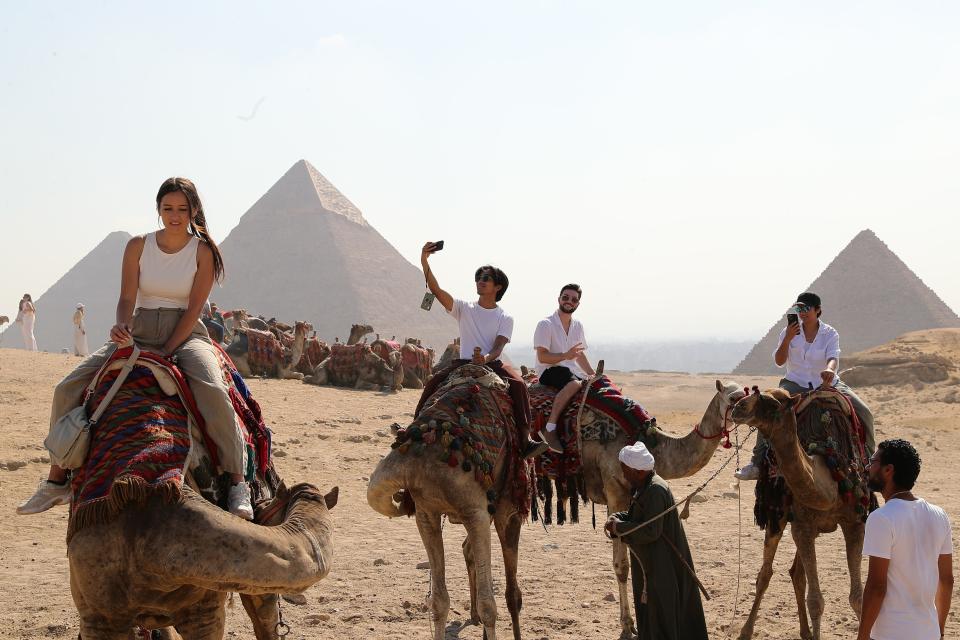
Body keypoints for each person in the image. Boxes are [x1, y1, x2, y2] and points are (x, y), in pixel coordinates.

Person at [17, 177, 254, 519]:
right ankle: (57, 477)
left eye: (182, 209)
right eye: (168, 208)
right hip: (139, 331)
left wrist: (169, 350)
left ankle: (236, 483)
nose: (174, 215)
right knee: (66, 387)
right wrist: (122, 327)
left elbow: (192, 310)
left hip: (186, 334)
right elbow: (127, 298)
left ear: (193, 211)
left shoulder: (203, 252)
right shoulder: (138, 246)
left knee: (214, 388)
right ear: (158, 209)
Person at [416, 241, 548, 459]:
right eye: (479, 277)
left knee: (518, 385)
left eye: (486, 278)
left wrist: (484, 358)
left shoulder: (505, 317)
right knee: (433, 383)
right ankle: (413, 426)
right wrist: (424, 259)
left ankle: (525, 440)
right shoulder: (463, 308)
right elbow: (437, 291)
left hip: (492, 364)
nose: (480, 281)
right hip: (463, 363)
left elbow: (498, 346)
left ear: (498, 287)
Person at [736, 292, 874, 480]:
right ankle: (756, 463)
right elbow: (779, 361)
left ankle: (869, 461)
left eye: (806, 308)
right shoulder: (789, 332)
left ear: (817, 310)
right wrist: (788, 338)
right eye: (799, 308)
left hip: (826, 382)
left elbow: (833, 357)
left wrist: (829, 370)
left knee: (864, 412)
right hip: (795, 383)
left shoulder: (830, 333)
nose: (802, 312)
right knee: (767, 410)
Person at [605, 442, 708, 640]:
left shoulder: (655, 490)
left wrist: (618, 527)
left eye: (626, 471)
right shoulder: (644, 485)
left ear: (638, 471)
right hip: (651, 561)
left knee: (662, 610)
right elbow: (640, 517)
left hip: (663, 564)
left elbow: (650, 530)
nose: (624, 475)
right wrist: (618, 517)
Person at [858, 439, 953, 640]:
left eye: (873, 461)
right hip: (929, 633)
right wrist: (940, 630)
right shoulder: (940, 515)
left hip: (891, 634)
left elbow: (876, 587)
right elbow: (946, 580)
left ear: (888, 470)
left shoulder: (881, 519)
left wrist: (863, 636)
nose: (867, 466)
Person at [533, 283, 595, 452]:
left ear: (577, 304)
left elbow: (579, 354)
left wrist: (592, 373)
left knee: (596, 386)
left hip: (570, 369)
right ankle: (550, 428)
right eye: (566, 297)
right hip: (549, 369)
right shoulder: (545, 324)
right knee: (575, 384)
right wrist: (565, 356)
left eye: (574, 299)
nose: (569, 301)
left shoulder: (578, 326)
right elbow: (542, 356)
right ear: (559, 299)